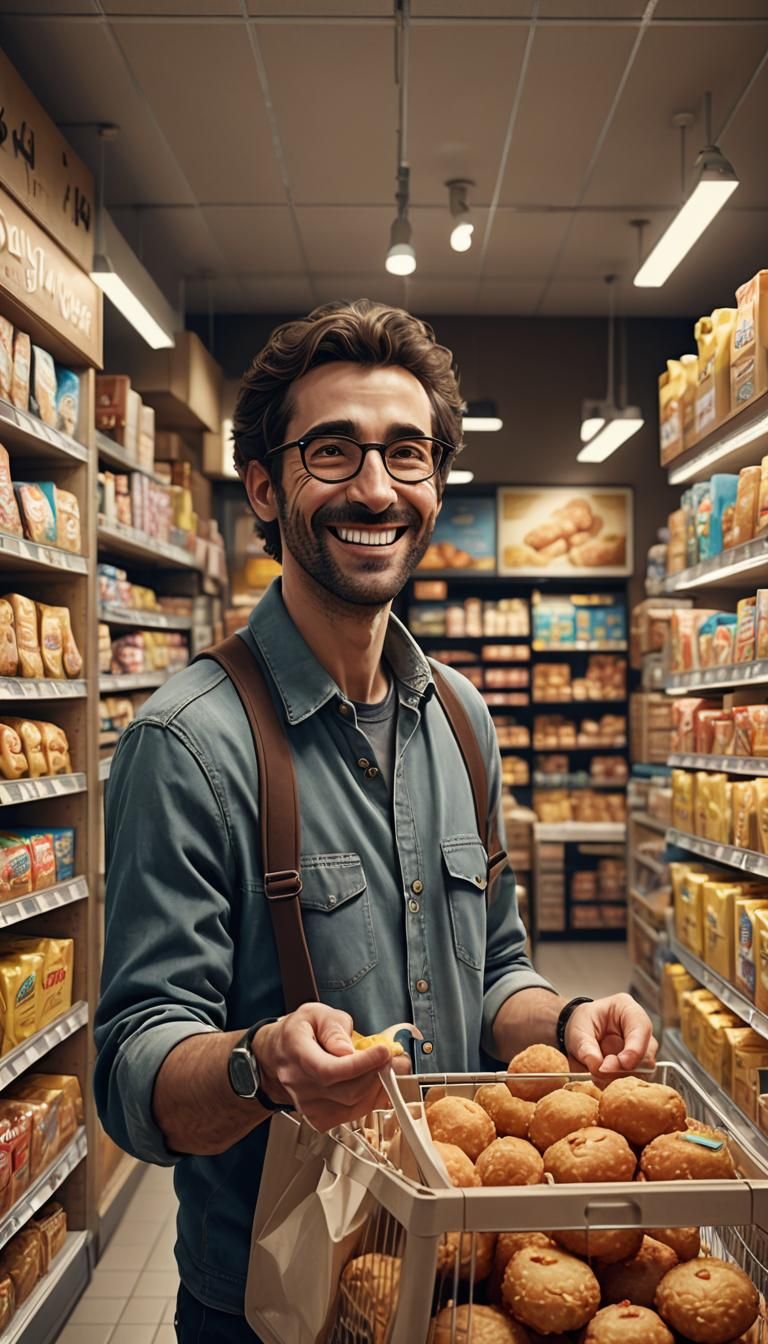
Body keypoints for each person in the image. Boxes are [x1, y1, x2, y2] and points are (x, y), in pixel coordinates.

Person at [94, 299, 655, 1343]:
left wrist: (566, 1023)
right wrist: (262, 1062)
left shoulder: (462, 719)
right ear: (266, 488)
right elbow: (133, 1070)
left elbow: (495, 969)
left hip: (458, 1283)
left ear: (435, 485)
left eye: (407, 453)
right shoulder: (188, 742)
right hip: (276, 1302)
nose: (376, 488)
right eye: (332, 451)